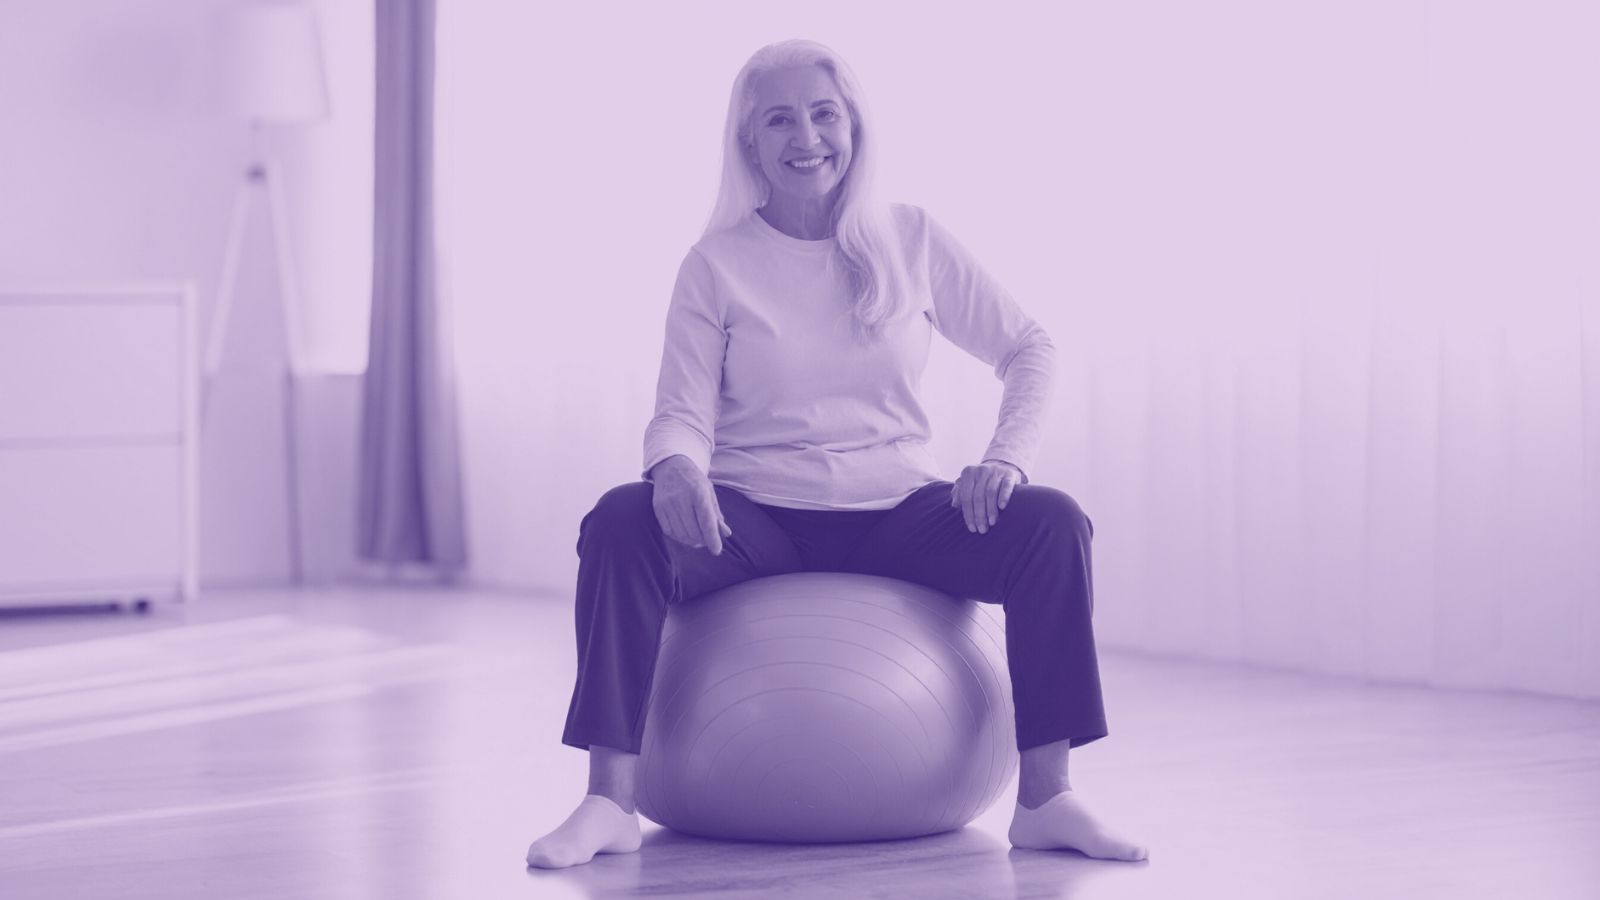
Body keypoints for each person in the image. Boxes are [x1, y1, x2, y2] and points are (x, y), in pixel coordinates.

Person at [526, 38, 1146, 869]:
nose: (805, 136)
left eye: (823, 114)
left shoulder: (912, 239)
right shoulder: (716, 264)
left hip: (898, 513)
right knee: (620, 520)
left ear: (853, 127)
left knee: (1052, 524)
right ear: (750, 143)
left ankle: (1046, 798)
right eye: (779, 119)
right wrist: (674, 464)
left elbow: (1029, 346)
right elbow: (680, 411)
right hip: (754, 518)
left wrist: (1006, 458)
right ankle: (608, 802)